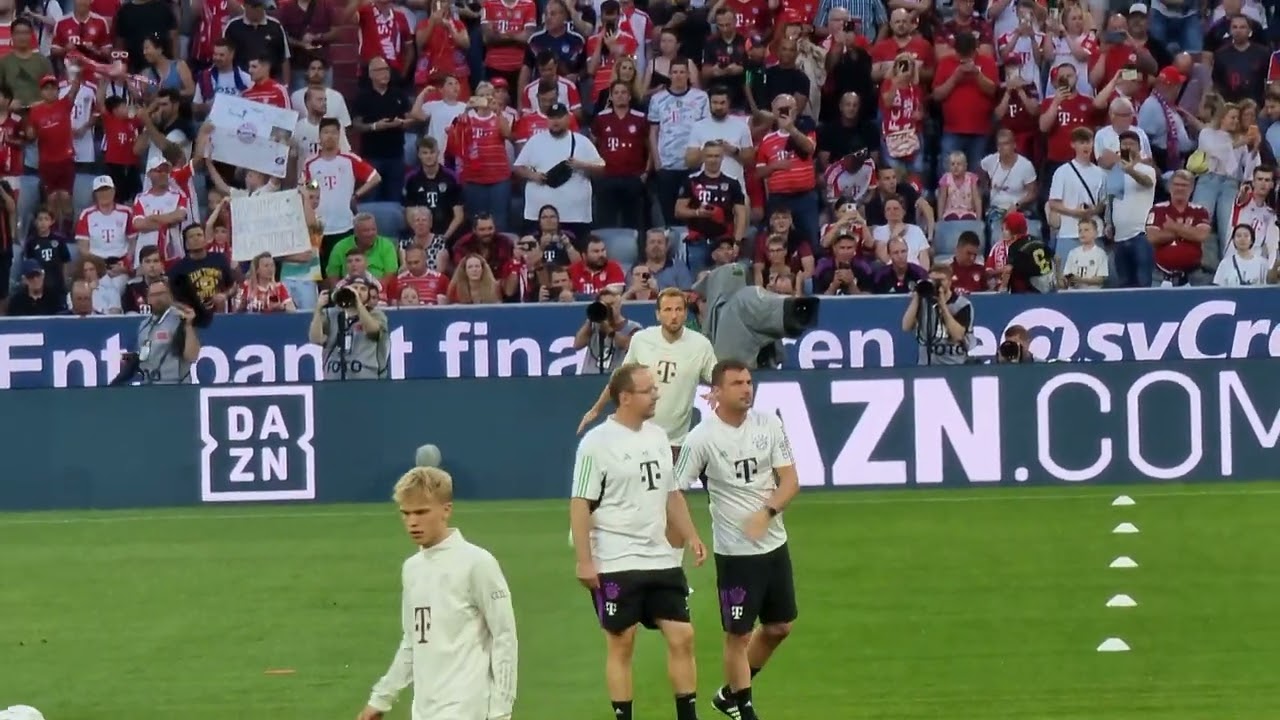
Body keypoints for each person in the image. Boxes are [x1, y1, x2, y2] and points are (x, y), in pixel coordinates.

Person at [570, 364, 706, 720]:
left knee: (682, 636)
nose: (656, 395)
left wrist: (691, 535)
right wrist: (585, 561)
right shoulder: (596, 444)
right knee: (622, 641)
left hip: (659, 556)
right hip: (615, 558)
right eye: (649, 390)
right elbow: (580, 503)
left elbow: (671, 493)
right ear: (625, 397)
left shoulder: (658, 436)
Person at [675, 359, 800, 720]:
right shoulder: (702, 438)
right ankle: (745, 708)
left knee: (779, 627)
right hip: (736, 553)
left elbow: (790, 480)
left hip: (774, 543)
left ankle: (729, 695)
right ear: (716, 392)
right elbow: (674, 488)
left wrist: (766, 513)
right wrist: (691, 535)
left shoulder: (769, 424)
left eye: (748, 382)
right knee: (738, 634)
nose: (747, 389)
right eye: (737, 383)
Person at [356, 466, 518, 720]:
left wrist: (501, 712)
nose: (412, 522)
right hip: (424, 710)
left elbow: (504, 637)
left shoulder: (477, 563)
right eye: (406, 513)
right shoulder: (412, 568)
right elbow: (412, 642)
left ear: (446, 510)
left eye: (421, 512)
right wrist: (381, 699)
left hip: (467, 708)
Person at [576, 288, 717, 456]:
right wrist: (596, 409)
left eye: (679, 309)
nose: (674, 316)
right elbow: (620, 379)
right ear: (658, 314)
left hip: (676, 442)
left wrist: (717, 391)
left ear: (685, 313)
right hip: (639, 437)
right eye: (668, 310)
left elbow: (719, 378)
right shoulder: (641, 339)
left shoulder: (701, 345)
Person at [308, 276, 390, 380]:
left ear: (369, 295)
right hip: (334, 377)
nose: (358, 292)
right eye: (354, 288)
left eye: (363, 289)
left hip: (366, 378)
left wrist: (358, 303)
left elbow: (373, 331)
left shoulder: (376, 315)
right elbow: (315, 339)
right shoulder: (331, 314)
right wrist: (318, 309)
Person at [901, 261, 974, 365]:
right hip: (926, 366)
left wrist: (943, 305)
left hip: (954, 365)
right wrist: (918, 295)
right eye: (933, 280)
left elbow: (958, 335)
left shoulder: (962, 305)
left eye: (940, 280)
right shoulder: (924, 302)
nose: (936, 284)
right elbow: (906, 326)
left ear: (950, 281)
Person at [1003, 211, 1056, 293]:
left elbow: (1008, 270)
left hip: (1031, 289)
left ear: (1012, 231)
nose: (1003, 232)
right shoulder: (1038, 240)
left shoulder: (1015, 247)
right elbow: (1053, 258)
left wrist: (1003, 288)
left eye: (1005, 229)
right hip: (1049, 283)